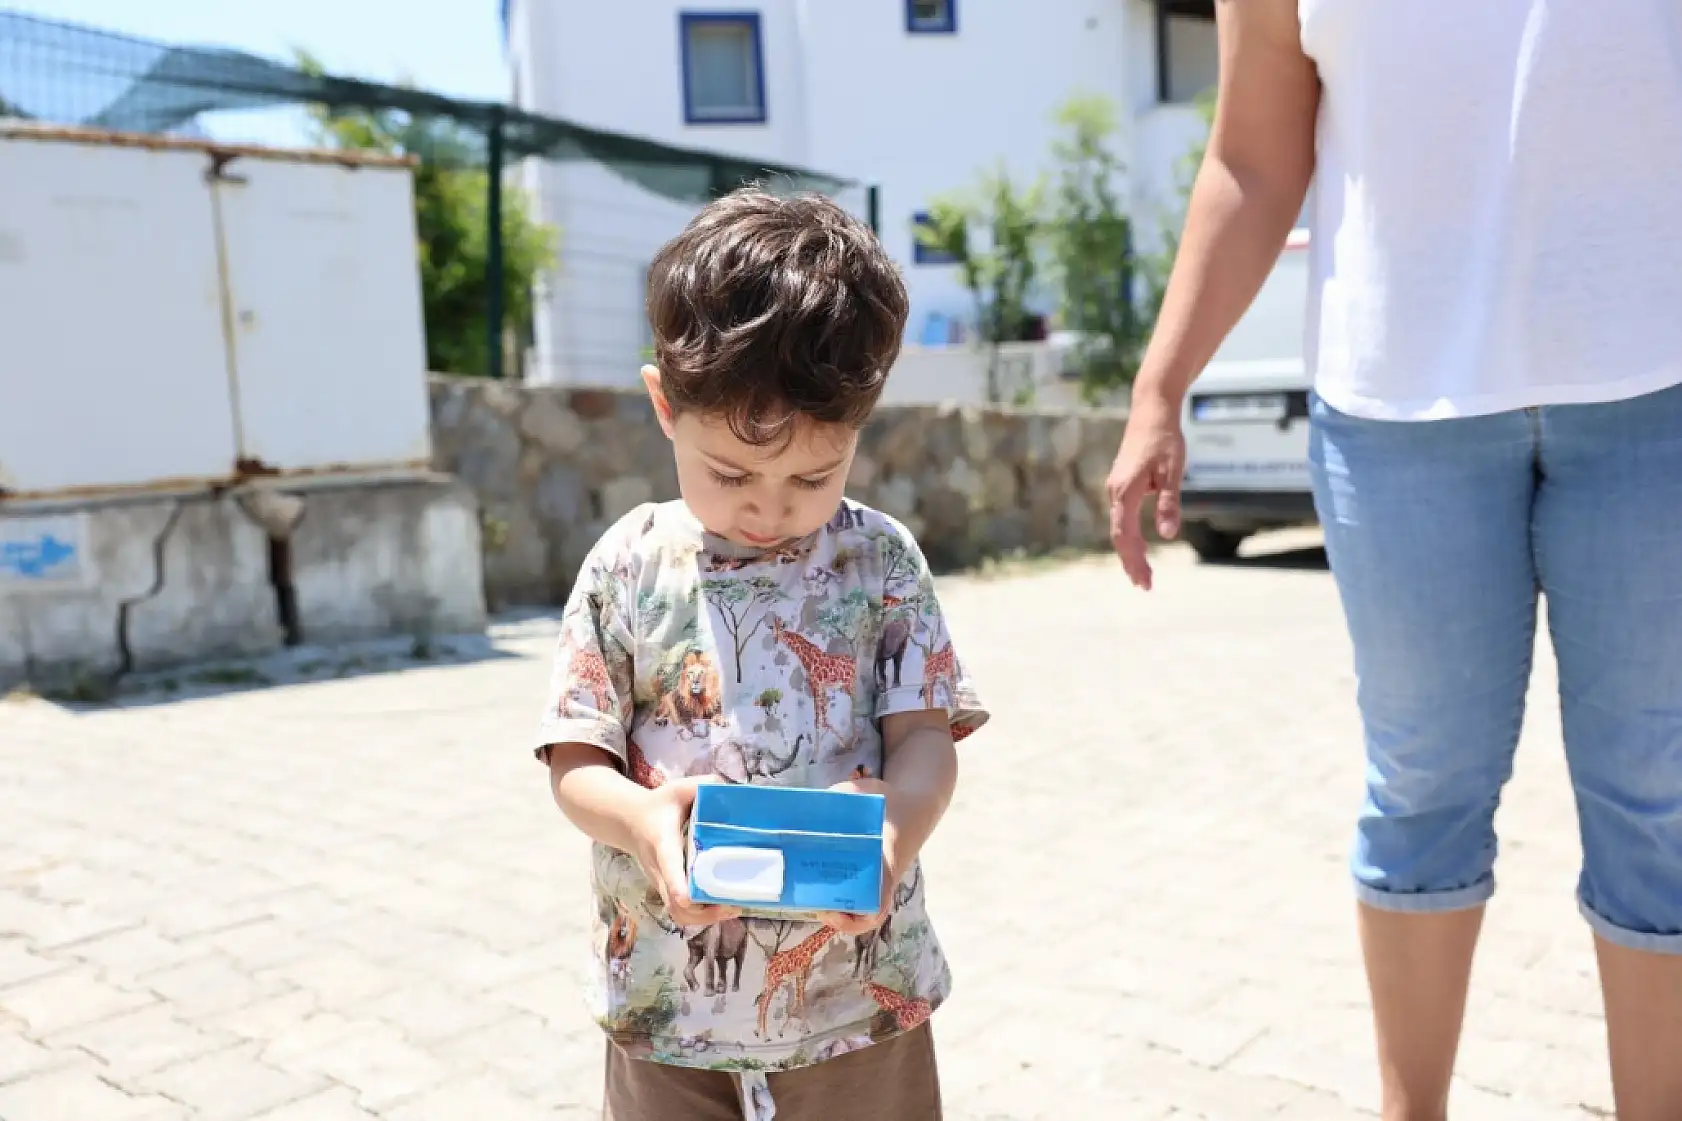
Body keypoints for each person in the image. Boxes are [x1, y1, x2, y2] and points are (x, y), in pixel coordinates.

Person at [1106, 2, 1682, 1119]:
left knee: (1658, 796)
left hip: (1656, 385)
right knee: (1420, 790)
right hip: (1395, 405)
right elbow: (1252, 154)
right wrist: (1157, 386)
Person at [535, 188, 988, 1121]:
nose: (769, 506)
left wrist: (897, 830)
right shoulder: (628, 566)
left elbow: (926, 740)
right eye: (731, 472)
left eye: (814, 474)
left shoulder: (880, 561)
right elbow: (575, 762)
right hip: (668, 1010)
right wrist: (641, 818)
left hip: (859, 1009)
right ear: (666, 405)